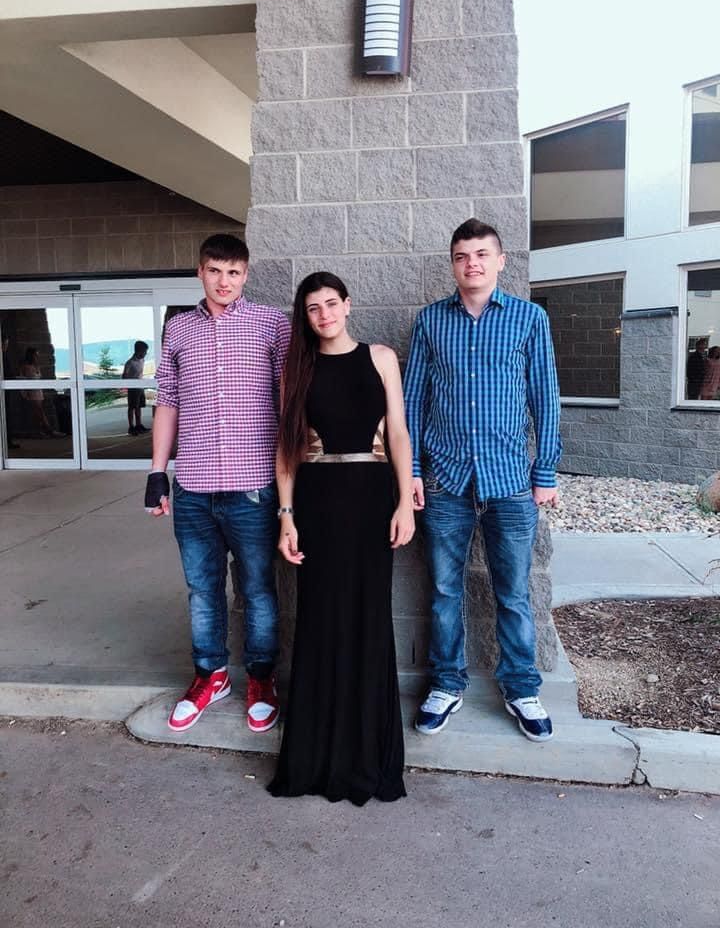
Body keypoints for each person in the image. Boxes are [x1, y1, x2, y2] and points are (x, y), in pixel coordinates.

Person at [404, 219, 562, 743]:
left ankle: (521, 688)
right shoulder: (430, 322)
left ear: (500, 261)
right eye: (461, 255)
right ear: (452, 264)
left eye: (480, 254)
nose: (471, 263)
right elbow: (412, 404)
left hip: (512, 483)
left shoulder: (528, 319)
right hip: (445, 482)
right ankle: (446, 684)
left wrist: (545, 472)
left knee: (513, 593)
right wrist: (413, 473)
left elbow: (546, 398)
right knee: (445, 592)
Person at [267, 272, 415, 805]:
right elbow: (285, 447)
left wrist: (404, 501)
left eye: (332, 304)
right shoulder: (296, 367)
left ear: (348, 305)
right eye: (313, 308)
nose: (325, 314)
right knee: (320, 620)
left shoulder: (381, 358)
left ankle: (368, 756)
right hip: (318, 500)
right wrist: (286, 515)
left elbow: (398, 432)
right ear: (304, 316)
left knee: (369, 619)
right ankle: (315, 758)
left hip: (373, 498)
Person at [146, 234, 290, 734]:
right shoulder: (179, 329)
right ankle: (211, 676)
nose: (224, 281)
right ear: (200, 273)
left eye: (233, 271)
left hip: (254, 489)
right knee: (202, 590)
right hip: (192, 490)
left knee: (256, 589)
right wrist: (156, 473)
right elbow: (168, 402)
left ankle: (261, 679)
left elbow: (288, 404)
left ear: (246, 274)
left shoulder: (273, 324)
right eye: (214, 270)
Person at [122, 340, 149, 436]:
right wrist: (130, 383)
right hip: (133, 388)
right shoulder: (130, 363)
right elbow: (124, 376)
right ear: (138, 351)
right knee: (132, 407)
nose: (145, 354)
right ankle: (131, 427)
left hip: (140, 386)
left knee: (139, 406)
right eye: (144, 352)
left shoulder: (142, 360)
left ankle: (139, 425)